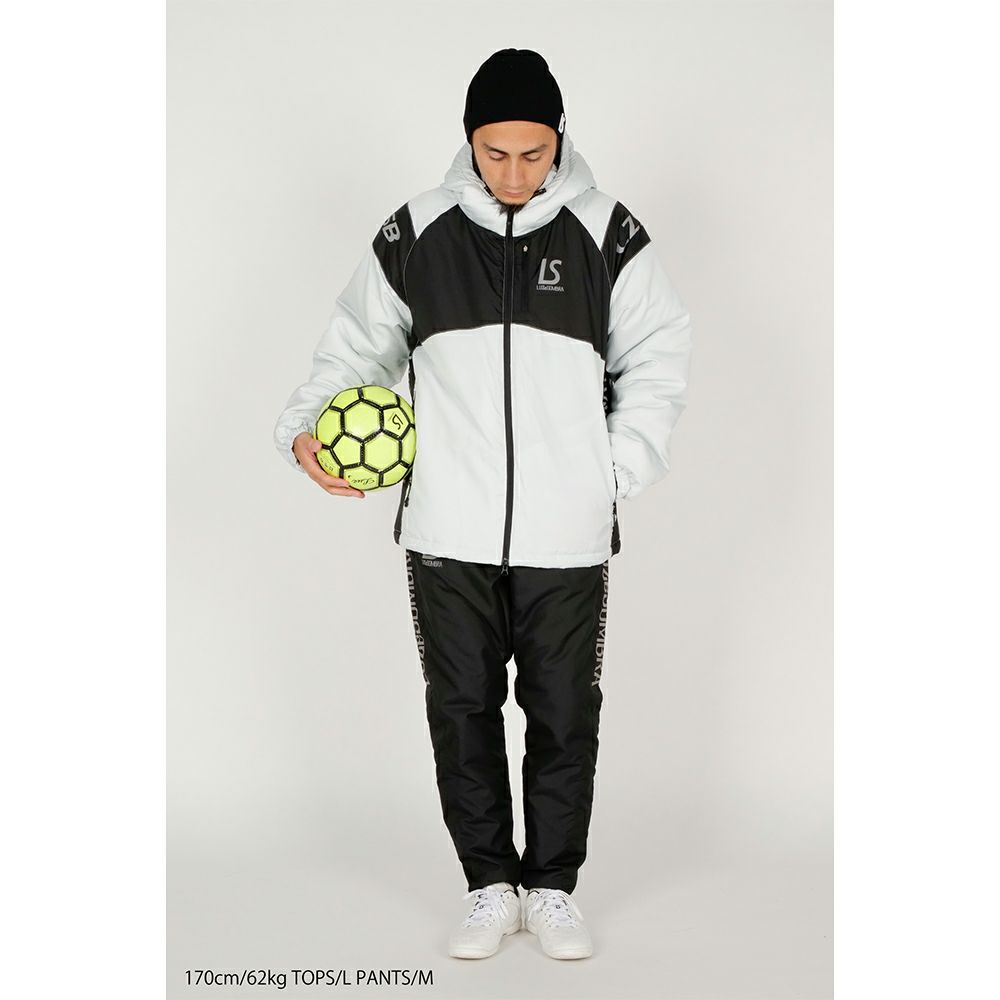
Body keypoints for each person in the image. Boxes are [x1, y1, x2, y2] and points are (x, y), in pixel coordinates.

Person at [273, 48, 692, 960]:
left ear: (560, 139)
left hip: (566, 536)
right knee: (460, 707)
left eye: (533, 153)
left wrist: (610, 470)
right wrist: (304, 425)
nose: (513, 172)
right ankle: (489, 886)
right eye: (494, 152)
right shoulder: (416, 233)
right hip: (446, 529)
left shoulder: (608, 233)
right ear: (469, 141)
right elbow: (354, 348)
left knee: (563, 713)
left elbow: (657, 356)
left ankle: (552, 888)